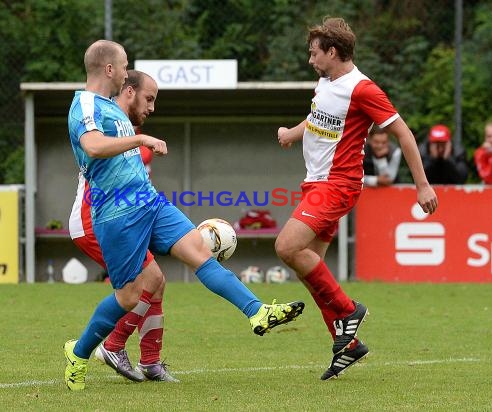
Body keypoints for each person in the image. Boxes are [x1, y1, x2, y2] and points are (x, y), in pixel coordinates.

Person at [64, 39, 305, 391]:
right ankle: (80, 352)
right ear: (110, 69)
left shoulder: (113, 107)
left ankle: (256, 311)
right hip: (116, 214)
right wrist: (141, 140)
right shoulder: (84, 104)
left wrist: (138, 140)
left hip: (149, 204)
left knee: (199, 251)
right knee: (130, 295)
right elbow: (93, 146)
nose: (128, 69)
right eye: (125, 63)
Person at [275, 17, 438, 380]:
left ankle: (349, 312)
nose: (310, 60)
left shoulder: (363, 89)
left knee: (287, 247)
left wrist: (422, 185)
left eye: (314, 53)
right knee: (309, 268)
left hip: (338, 183)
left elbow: (404, 134)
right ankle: (348, 345)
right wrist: (292, 133)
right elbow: (317, 119)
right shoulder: (326, 82)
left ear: (333, 52)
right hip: (315, 183)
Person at [68, 70, 174, 383]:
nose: (150, 108)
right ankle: (108, 347)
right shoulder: (106, 125)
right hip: (93, 220)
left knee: (155, 280)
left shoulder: (129, 132)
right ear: (127, 93)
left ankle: (149, 361)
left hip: (119, 217)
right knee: (143, 284)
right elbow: (96, 154)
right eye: (148, 99)